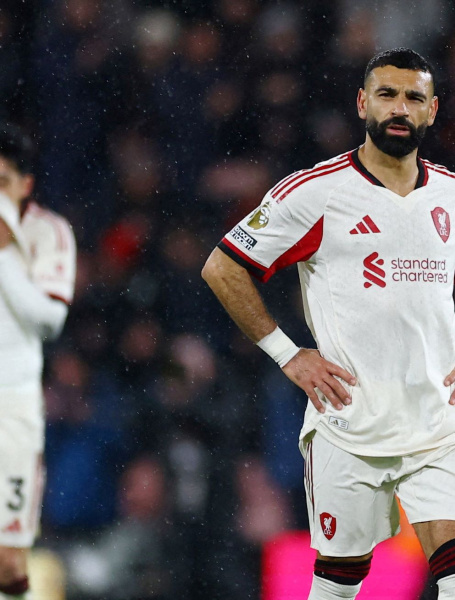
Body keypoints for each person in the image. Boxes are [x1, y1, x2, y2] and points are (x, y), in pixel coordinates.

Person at [201, 48, 455, 599]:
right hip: (350, 423)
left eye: (414, 98)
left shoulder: (451, 194)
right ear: (362, 103)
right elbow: (223, 267)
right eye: (387, 94)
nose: (400, 108)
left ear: (432, 110)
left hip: (440, 424)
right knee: (340, 583)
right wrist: (287, 354)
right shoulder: (316, 192)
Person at [0, 124, 76, 600]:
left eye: (2, 182)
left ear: (25, 184)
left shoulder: (49, 231)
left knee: (9, 561)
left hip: (12, 404)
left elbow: (50, 319)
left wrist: (4, 253)